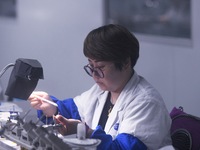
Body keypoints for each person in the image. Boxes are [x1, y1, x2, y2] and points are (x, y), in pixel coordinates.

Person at [28, 24, 173, 150]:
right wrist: (51, 108)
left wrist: (87, 133)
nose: (94, 75)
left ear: (125, 62)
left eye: (100, 67)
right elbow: (75, 110)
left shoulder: (146, 102)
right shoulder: (103, 90)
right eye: (91, 66)